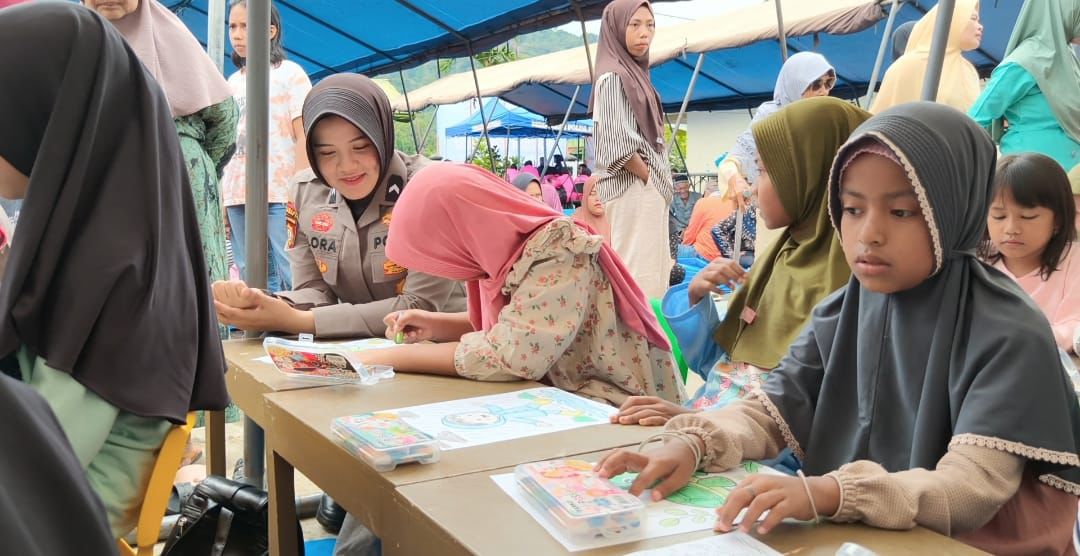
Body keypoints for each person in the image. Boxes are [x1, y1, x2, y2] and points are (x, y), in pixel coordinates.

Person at [598, 103, 1080, 554]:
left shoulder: (1009, 331)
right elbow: (771, 410)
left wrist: (831, 493)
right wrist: (694, 442)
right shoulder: (844, 309)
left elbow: (971, 487)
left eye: (901, 211)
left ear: (952, 211)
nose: (868, 232)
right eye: (852, 209)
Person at [0, 2, 228, 537]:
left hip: (53, 521)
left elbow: (44, 448)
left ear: (46, 115)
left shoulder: (102, 276)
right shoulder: (106, 239)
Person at [614, 97, 865, 423]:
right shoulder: (778, 262)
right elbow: (720, 367)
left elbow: (797, 423)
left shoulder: (850, 288)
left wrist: (699, 422)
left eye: (762, 171)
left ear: (809, 174)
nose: (752, 189)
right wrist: (696, 297)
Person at [352, 163, 686, 407]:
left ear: (462, 229)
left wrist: (388, 357)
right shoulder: (500, 257)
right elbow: (519, 324)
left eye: (441, 252)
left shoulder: (558, 250)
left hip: (623, 410)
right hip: (566, 400)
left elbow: (514, 353)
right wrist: (435, 325)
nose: (447, 266)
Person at [212, 74, 467, 339]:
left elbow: (418, 306)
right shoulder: (305, 192)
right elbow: (315, 291)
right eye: (327, 153)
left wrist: (301, 320)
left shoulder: (428, 189)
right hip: (359, 353)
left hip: (445, 350)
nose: (346, 166)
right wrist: (265, 304)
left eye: (361, 147)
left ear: (382, 136)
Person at [86, 0, 238, 326]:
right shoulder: (76, 43)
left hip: (182, 180)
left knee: (188, 289)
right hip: (107, 187)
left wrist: (182, 162)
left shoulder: (170, 35)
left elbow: (224, 119)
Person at [221, 0, 312, 292]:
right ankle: (262, 333)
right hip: (237, 191)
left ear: (270, 30)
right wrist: (223, 197)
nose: (236, 34)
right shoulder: (230, 82)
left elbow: (304, 134)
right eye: (232, 26)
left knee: (290, 265)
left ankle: (298, 329)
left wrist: (298, 189)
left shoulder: (290, 74)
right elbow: (225, 145)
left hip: (280, 189)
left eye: (246, 26)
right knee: (251, 273)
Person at [590, 0, 674, 299]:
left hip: (645, 189)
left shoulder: (635, 74)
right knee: (639, 278)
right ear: (616, 28)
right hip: (633, 189)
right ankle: (638, 343)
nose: (645, 33)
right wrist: (647, 176)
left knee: (652, 275)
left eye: (650, 25)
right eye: (635, 24)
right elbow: (617, 143)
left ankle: (647, 341)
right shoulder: (613, 77)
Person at [716, 51, 835, 255]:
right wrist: (735, 178)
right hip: (777, 222)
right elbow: (732, 161)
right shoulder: (769, 119)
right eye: (815, 84)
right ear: (795, 84)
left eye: (828, 83)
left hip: (820, 222)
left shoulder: (829, 119)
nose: (823, 91)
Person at [980, 153, 1079, 354]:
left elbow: (1074, 327)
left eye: (1027, 217)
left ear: (1058, 221)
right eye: (999, 216)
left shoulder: (1074, 260)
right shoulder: (976, 261)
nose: (1011, 228)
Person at [969, 0, 1080, 171]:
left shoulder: (1068, 59)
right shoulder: (1026, 60)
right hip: (1031, 184)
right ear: (1063, 11)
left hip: (1066, 185)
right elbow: (974, 120)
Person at [870, 0, 983, 114]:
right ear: (954, 20)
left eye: (978, 20)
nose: (980, 27)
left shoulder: (969, 71)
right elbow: (883, 122)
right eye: (973, 19)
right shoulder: (907, 66)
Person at [676, 191, 735, 262]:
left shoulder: (703, 202)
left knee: (667, 249)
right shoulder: (738, 205)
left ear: (706, 193)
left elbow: (690, 235)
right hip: (728, 257)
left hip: (704, 254)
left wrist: (684, 245)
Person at [573, 175, 611, 245]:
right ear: (585, 197)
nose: (598, 198)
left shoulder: (614, 220)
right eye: (593, 194)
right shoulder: (575, 223)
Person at [668, 175, 701, 241]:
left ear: (689, 186)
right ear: (675, 189)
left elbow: (702, 216)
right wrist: (680, 230)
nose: (683, 191)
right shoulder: (672, 199)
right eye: (680, 189)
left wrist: (688, 229)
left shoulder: (698, 197)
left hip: (695, 229)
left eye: (685, 188)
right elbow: (669, 216)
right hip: (678, 231)